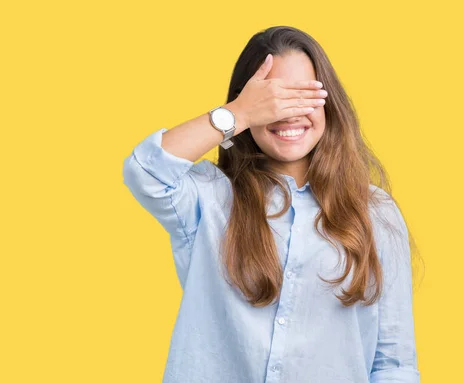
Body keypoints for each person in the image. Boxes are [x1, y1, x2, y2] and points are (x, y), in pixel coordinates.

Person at [122, 26, 420, 383]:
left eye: (303, 95)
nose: (288, 113)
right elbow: (146, 170)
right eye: (272, 100)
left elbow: (394, 363)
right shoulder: (210, 197)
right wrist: (237, 115)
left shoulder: (375, 213)